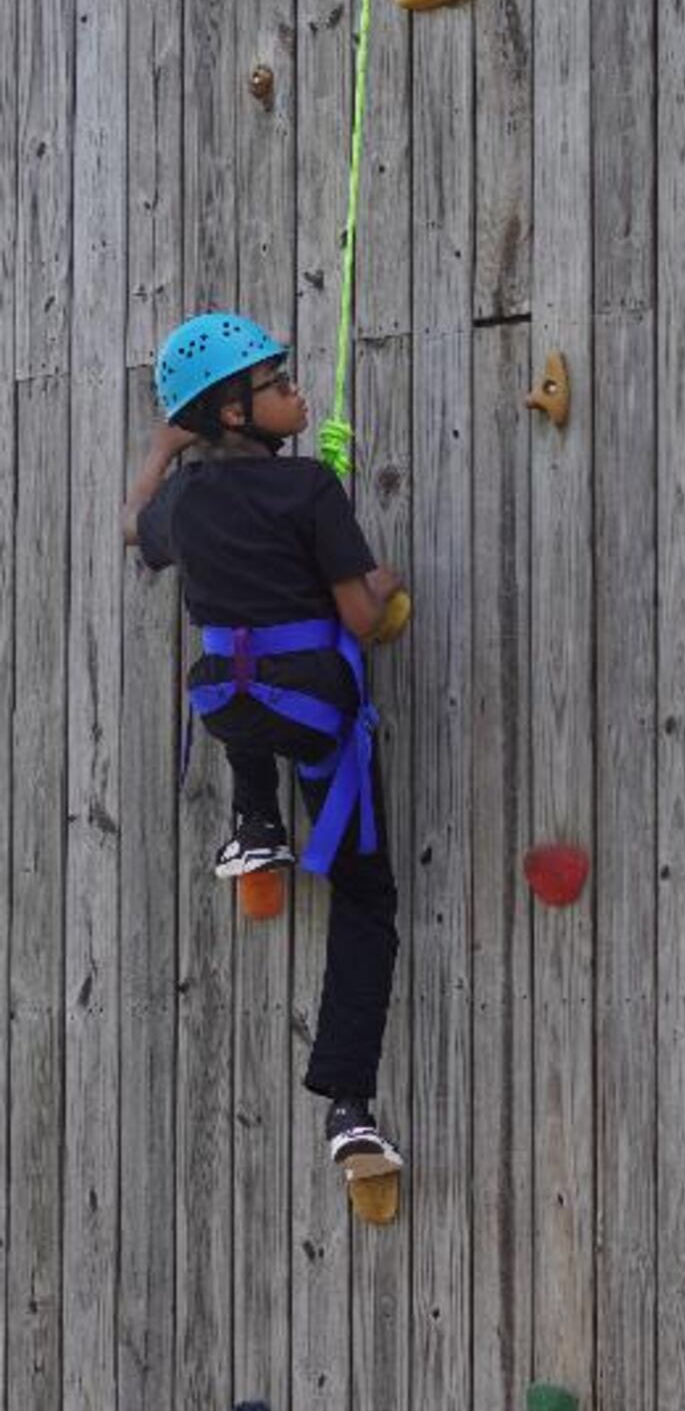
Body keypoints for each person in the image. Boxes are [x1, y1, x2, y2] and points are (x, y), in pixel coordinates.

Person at [124, 311, 405, 1180]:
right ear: (237, 414)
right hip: (312, 712)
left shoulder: (184, 499)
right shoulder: (312, 488)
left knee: (237, 675)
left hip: (228, 707)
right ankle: (350, 1111)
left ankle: (256, 822)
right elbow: (363, 618)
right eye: (278, 386)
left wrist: (165, 448)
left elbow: (133, 526)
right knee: (366, 902)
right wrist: (386, 580)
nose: (297, 392)